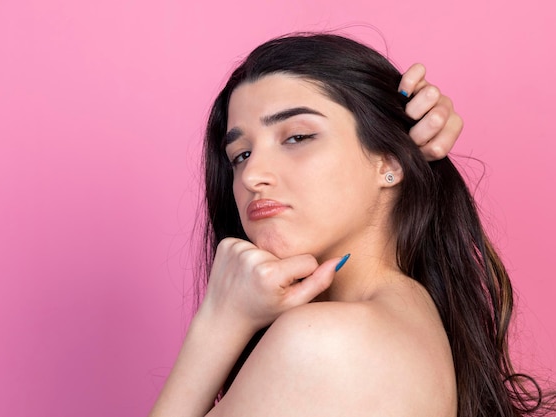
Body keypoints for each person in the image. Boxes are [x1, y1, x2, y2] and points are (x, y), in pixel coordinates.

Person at [149, 33, 554, 416]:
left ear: (388, 162)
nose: (253, 175)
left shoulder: (324, 341)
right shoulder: (409, 317)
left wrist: (219, 324)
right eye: (240, 155)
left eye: (297, 137)